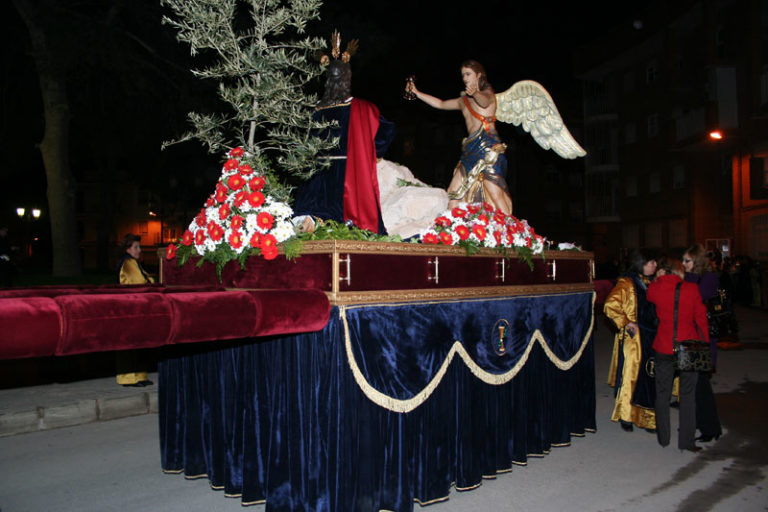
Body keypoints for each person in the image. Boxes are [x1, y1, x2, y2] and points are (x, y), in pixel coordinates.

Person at [292, 32, 394, 234]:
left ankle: (313, 224)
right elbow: (385, 133)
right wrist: (372, 151)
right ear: (348, 78)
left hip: (317, 176)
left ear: (327, 79)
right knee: (347, 223)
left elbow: (304, 144)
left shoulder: (316, 110)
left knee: (312, 214)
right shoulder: (363, 109)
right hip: (348, 173)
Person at [405, 60, 514, 215]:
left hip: (487, 148)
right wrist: (417, 93)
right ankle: (450, 228)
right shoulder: (463, 101)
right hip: (470, 150)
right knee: (453, 191)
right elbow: (441, 104)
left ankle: (510, 230)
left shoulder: (488, 94)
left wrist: (475, 92)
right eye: (463, 75)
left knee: (494, 192)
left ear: (479, 75)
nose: (464, 78)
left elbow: (484, 102)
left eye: (468, 74)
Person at [648, 259, 709, 452]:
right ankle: (687, 442)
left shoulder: (655, 289)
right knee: (688, 395)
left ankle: (663, 437)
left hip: (664, 345)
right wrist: (705, 344)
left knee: (662, 393)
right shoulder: (692, 289)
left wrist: (657, 279)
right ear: (680, 272)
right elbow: (700, 318)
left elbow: (649, 297)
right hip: (689, 345)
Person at [604, 249, 658, 433]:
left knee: (649, 376)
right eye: (651, 262)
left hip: (652, 336)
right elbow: (610, 306)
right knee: (631, 378)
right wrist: (627, 322)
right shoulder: (627, 284)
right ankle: (626, 415)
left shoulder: (650, 282)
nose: (655, 266)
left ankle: (646, 417)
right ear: (641, 264)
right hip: (635, 340)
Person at [683, 244, 722, 442]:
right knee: (693, 384)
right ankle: (702, 423)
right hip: (689, 335)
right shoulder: (691, 278)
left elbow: (694, 299)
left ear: (697, 261)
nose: (683, 264)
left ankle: (710, 427)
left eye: (687, 261)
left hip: (700, 338)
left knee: (701, 385)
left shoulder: (708, 279)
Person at [115, 233, 154, 387]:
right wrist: (151, 281)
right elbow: (142, 282)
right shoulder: (129, 263)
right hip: (129, 308)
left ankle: (138, 376)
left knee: (137, 342)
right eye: (136, 247)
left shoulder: (132, 263)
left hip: (133, 307)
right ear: (128, 249)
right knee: (129, 342)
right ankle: (129, 378)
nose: (139, 250)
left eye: (139, 247)